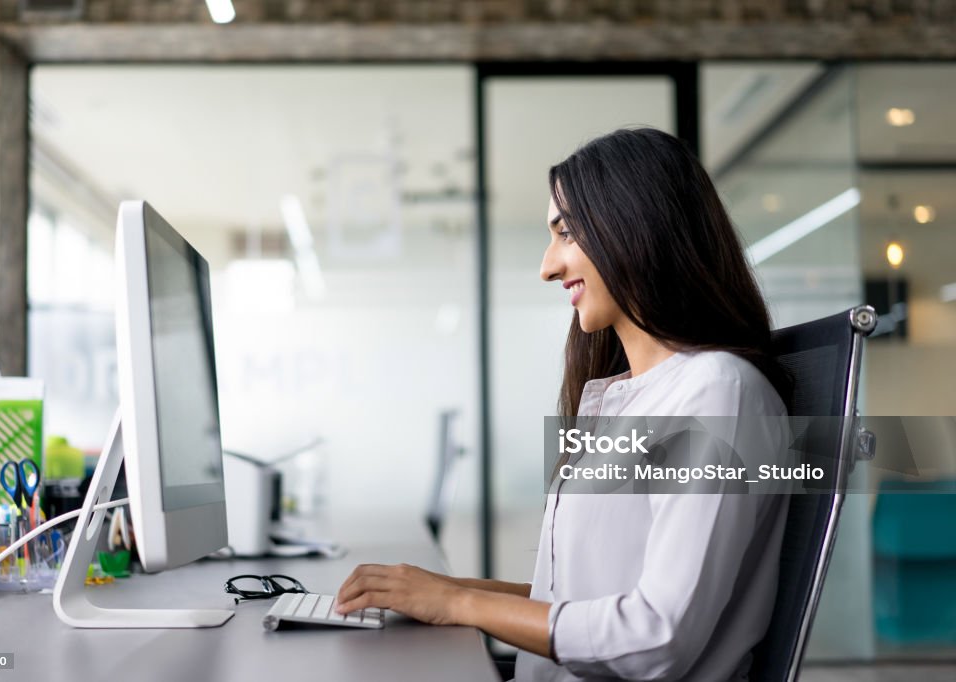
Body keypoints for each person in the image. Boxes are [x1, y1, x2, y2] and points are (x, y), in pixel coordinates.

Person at [335, 127, 793, 681]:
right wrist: (442, 590)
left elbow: (656, 637)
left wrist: (457, 605)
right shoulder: (624, 397)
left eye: (567, 232)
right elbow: (574, 600)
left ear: (635, 227)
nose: (549, 266)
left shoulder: (717, 392)